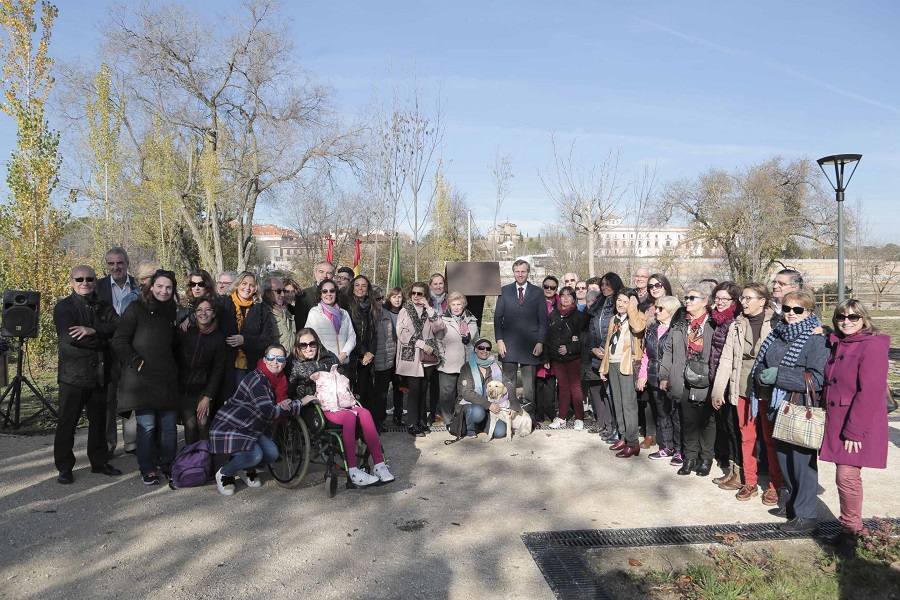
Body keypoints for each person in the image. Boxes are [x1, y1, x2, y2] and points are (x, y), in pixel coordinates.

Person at [749, 289, 828, 533]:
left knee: (802, 463)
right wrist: (762, 376)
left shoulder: (817, 338)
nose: (791, 314)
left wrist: (779, 376)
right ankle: (794, 506)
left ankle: (807, 516)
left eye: (798, 310)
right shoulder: (778, 334)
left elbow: (816, 380)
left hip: (801, 407)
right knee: (784, 459)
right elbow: (764, 361)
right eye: (787, 309)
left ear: (810, 311)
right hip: (778, 405)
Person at [819, 300, 890, 553]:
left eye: (853, 317)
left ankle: (851, 533)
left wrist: (854, 430)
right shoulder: (840, 342)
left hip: (858, 423)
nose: (846, 321)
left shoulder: (871, 347)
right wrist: (825, 332)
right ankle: (850, 529)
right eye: (841, 317)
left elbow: (870, 392)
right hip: (839, 418)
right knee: (845, 476)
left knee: (847, 476)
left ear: (864, 320)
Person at [289, 329, 394, 486]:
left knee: (364, 413)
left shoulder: (329, 357)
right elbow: (289, 390)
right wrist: (301, 397)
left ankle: (379, 465)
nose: (308, 348)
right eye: (303, 345)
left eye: (312, 344)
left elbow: (344, 378)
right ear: (297, 347)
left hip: (340, 401)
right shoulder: (294, 364)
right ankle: (352, 470)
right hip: (316, 408)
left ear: (317, 343)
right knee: (349, 416)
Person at [711, 283, 783, 504]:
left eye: (748, 298)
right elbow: (726, 359)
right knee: (747, 436)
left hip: (768, 388)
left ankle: (775, 486)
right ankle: (749, 482)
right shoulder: (736, 325)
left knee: (770, 439)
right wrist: (718, 389)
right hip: (742, 386)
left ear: (762, 301)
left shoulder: (777, 323)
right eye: (742, 298)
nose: (743, 302)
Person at [53, 265, 121, 484]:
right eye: (80, 279)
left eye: (89, 279)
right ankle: (64, 467)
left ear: (95, 281)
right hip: (73, 376)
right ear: (72, 282)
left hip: (100, 374)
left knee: (99, 421)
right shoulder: (64, 307)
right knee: (67, 422)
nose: (85, 283)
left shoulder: (103, 306)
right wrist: (105, 338)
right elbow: (72, 338)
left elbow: (119, 327)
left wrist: (93, 330)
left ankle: (99, 462)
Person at [111, 269, 180, 485]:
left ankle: (168, 464)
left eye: (168, 287)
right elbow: (119, 340)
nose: (164, 291)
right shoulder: (135, 308)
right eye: (160, 286)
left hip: (166, 378)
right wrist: (136, 363)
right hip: (142, 379)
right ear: (151, 286)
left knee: (169, 426)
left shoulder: (172, 311)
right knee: (147, 426)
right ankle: (147, 467)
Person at [210, 344, 304, 495]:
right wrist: (300, 403)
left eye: (280, 358)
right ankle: (225, 472)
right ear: (264, 360)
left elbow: (273, 405)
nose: (275, 362)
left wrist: (283, 404)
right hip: (232, 426)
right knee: (255, 455)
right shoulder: (258, 379)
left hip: (251, 428)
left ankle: (244, 468)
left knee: (272, 453)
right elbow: (269, 411)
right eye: (271, 358)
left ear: (284, 362)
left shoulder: (279, 380)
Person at [660, 282, 716, 476]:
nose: (687, 301)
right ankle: (690, 457)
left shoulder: (713, 323)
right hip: (682, 377)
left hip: (706, 378)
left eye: (692, 298)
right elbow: (668, 350)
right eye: (686, 298)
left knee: (706, 420)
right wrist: (664, 374)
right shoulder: (680, 322)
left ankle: (706, 458)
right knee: (687, 419)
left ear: (705, 301)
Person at [94, 247, 138, 460]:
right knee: (108, 399)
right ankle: (109, 444)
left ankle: (132, 442)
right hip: (107, 351)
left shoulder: (139, 286)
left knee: (131, 396)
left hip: (133, 349)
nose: (115, 267)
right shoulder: (97, 287)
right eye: (111, 263)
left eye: (119, 263)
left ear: (127, 264)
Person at [494, 259, 547, 416]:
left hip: (530, 344)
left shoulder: (537, 292)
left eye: (523, 271)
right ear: (513, 272)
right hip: (508, 344)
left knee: (528, 385)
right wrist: (499, 340)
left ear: (528, 272)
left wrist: (540, 342)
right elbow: (497, 318)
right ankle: (508, 414)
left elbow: (543, 320)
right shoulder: (504, 291)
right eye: (517, 271)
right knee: (509, 382)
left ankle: (528, 416)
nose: (520, 274)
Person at [599, 288, 647, 457]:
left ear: (632, 303)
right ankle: (623, 436)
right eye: (619, 300)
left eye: (625, 301)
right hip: (612, 363)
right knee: (617, 404)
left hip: (627, 364)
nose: (620, 304)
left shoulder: (638, 316)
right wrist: (603, 366)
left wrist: (632, 309)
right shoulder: (614, 319)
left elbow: (638, 328)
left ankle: (633, 442)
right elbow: (607, 344)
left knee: (628, 405)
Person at [396, 281, 446, 437]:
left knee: (424, 390)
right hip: (411, 355)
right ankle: (412, 423)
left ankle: (422, 421)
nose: (416, 296)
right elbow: (401, 333)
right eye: (413, 293)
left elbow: (439, 328)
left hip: (428, 357)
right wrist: (421, 344)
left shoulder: (430, 311)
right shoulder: (405, 310)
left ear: (426, 295)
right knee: (414, 391)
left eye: (420, 294)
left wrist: (429, 308)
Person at [638, 295, 684, 464]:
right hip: (653, 375)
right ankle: (666, 447)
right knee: (662, 414)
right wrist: (642, 375)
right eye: (656, 308)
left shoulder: (678, 329)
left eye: (660, 309)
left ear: (671, 311)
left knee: (676, 415)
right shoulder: (652, 328)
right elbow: (646, 355)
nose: (655, 311)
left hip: (672, 378)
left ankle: (679, 450)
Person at [218, 271, 278, 400]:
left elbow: (267, 339)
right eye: (244, 283)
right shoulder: (223, 303)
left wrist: (245, 340)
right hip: (224, 363)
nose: (248, 288)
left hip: (249, 364)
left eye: (252, 285)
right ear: (237, 284)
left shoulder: (261, 309)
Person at [175, 296, 226, 445]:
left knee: (203, 422)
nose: (204, 313)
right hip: (184, 388)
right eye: (199, 310)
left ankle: (205, 461)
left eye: (208, 309)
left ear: (214, 313)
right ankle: (191, 461)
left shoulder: (218, 338)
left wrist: (208, 396)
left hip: (204, 389)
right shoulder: (185, 332)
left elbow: (218, 369)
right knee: (190, 425)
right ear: (194, 314)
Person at [708, 281, 742, 483]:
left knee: (734, 428)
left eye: (724, 299)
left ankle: (739, 472)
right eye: (717, 298)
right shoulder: (717, 320)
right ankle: (731, 469)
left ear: (734, 300)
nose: (719, 302)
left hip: (732, 383)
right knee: (726, 428)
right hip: (718, 378)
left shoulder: (735, 321)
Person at [587, 272, 624, 444]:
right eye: (602, 284)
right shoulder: (599, 304)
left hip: (615, 355)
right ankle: (613, 427)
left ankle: (621, 430)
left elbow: (615, 329)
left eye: (608, 284)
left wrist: (603, 347)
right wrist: (594, 348)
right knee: (608, 392)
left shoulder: (619, 302)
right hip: (599, 355)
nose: (604, 287)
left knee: (617, 394)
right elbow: (593, 329)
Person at [456, 338, 519, 439]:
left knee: (500, 433)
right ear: (475, 349)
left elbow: (508, 384)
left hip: (493, 407)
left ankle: (482, 425)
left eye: (488, 348)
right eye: (481, 348)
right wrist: (488, 404)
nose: (485, 351)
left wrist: (514, 405)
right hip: (472, 405)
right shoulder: (466, 368)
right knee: (477, 412)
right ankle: (470, 428)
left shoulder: (496, 367)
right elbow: (467, 393)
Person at [545, 285, 588, 430]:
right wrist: (547, 358)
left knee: (575, 388)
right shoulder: (553, 315)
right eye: (563, 295)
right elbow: (548, 338)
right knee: (562, 388)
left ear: (573, 299)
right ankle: (562, 417)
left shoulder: (579, 317)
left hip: (573, 358)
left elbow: (582, 340)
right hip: (557, 358)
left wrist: (569, 348)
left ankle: (579, 418)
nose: (565, 298)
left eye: (569, 295)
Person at [436, 292, 478, 425]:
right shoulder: (442, 320)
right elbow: (437, 340)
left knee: (464, 394)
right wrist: (442, 356)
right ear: (449, 305)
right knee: (447, 395)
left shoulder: (471, 320)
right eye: (453, 304)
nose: (456, 307)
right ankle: (448, 421)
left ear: (463, 305)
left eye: (458, 304)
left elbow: (475, 341)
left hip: (467, 364)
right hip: (448, 363)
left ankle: (460, 421)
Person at [305, 279, 356, 367]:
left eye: (332, 291)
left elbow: (352, 336)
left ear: (336, 293)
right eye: (325, 291)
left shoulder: (344, 313)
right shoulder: (314, 313)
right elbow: (309, 338)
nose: (328, 294)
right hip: (324, 363)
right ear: (320, 294)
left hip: (343, 362)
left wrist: (344, 354)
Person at [375, 287, 406, 427]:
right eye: (394, 297)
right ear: (389, 298)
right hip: (387, 354)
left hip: (402, 356)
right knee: (382, 389)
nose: (397, 300)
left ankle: (398, 415)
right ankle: (380, 418)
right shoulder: (384, 312)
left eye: (399, 297)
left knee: (399, 387)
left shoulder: (406, 312)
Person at [346, 274, 378, 403]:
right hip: (354, 356)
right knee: (353, 393)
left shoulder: (371, 306)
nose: (360, 288)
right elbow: (350, 332)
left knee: (366, 393)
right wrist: (363, 352)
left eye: (363, 286)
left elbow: (375, 332)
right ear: (352, 288)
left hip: (368, 357)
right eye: (357, 285)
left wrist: (371, 352)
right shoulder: (347, 306)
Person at [534, 276, 560, 424]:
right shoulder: (537, 300)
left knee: (551, 380)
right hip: (538, 344)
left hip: (554, 346)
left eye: (552, 287)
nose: (549, 290)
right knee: (538, 381)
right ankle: (538, 410)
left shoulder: (560, 302)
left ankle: (550, 408)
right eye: (546, 286)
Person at [295, 261, 334, 329]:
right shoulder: (304, 294)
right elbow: (300, 322)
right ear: (315, 273)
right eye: (321, 272)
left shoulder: (338, 295)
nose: (325, 276)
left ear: (333, 275)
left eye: (329, 273)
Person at [261, 277, 295, 352]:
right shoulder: (262, 313)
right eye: (279, 291)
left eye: (284, 291)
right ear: (267, 293)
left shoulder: (286, 311)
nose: (283, 294)